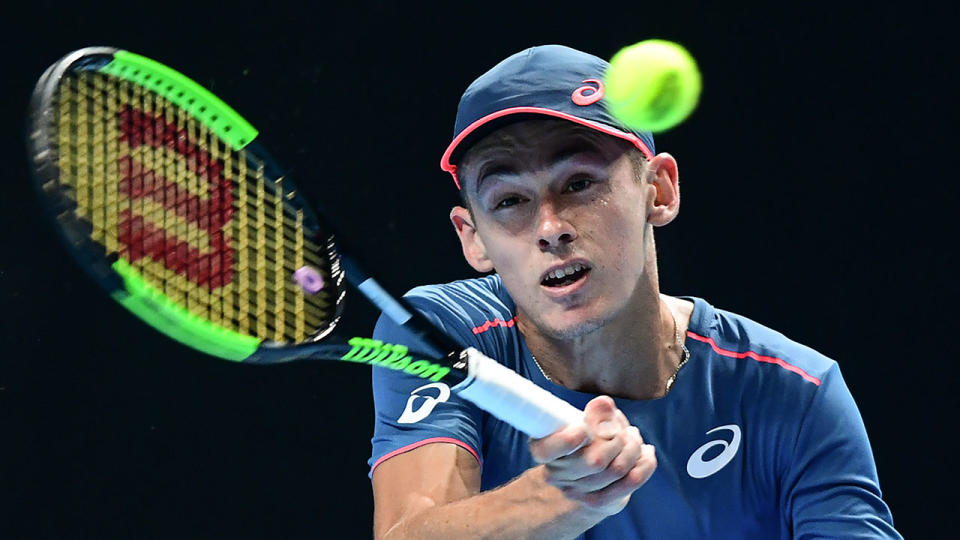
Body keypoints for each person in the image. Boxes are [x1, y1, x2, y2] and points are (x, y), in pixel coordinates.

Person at [366, 44, 902, 539]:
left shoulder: (796, 394)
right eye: (509, 201)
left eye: (579, 183)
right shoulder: (437, 336)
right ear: (472, 237)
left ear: (658, 190)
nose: (550, 226)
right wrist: (561, 497)